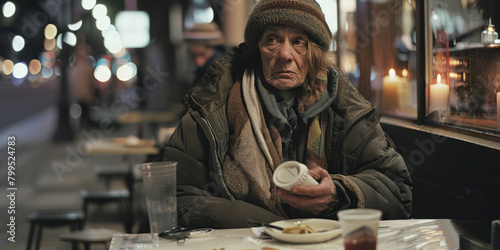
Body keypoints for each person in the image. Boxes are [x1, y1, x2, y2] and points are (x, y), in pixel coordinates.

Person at [164, 0, 412, 229]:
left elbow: (397, 193)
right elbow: (177, 199)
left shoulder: (347, 110)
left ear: (313, 51)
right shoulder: (213, 108)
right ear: (258, 48)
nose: (284, 54)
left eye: (298, 42)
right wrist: (268, 224)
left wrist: (338, 195)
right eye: (272, 39)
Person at [183, 22, 227, 87]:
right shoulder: (201, 70)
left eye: (202, 55)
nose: (199, 62)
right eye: (194, 55)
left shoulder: (219, 72)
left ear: (211, 48)